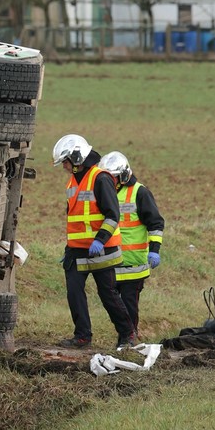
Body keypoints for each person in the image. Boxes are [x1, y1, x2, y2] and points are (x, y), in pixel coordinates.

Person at [52, 134, 137, 350]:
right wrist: (69, 247)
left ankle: (127, 334)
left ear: (77, 158)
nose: (64, 167)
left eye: (65, 162)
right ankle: (82, 336)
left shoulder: (101, 178)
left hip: (102, 249)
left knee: (107, 293)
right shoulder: (72, 182)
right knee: (74, 292)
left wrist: (100, 240)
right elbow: (73, 217)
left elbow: (112, 215)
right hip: (76, 250)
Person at [100, 151, 165, 340]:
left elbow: (156, 224)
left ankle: (129, 338)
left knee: (129, 303)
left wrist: (154, 251)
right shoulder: (104, 193)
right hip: (110, 261)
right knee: (112, 304)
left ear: (123, 175)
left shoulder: (140, 193)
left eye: (113, 178)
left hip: (133, 264)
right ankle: (126, 336)